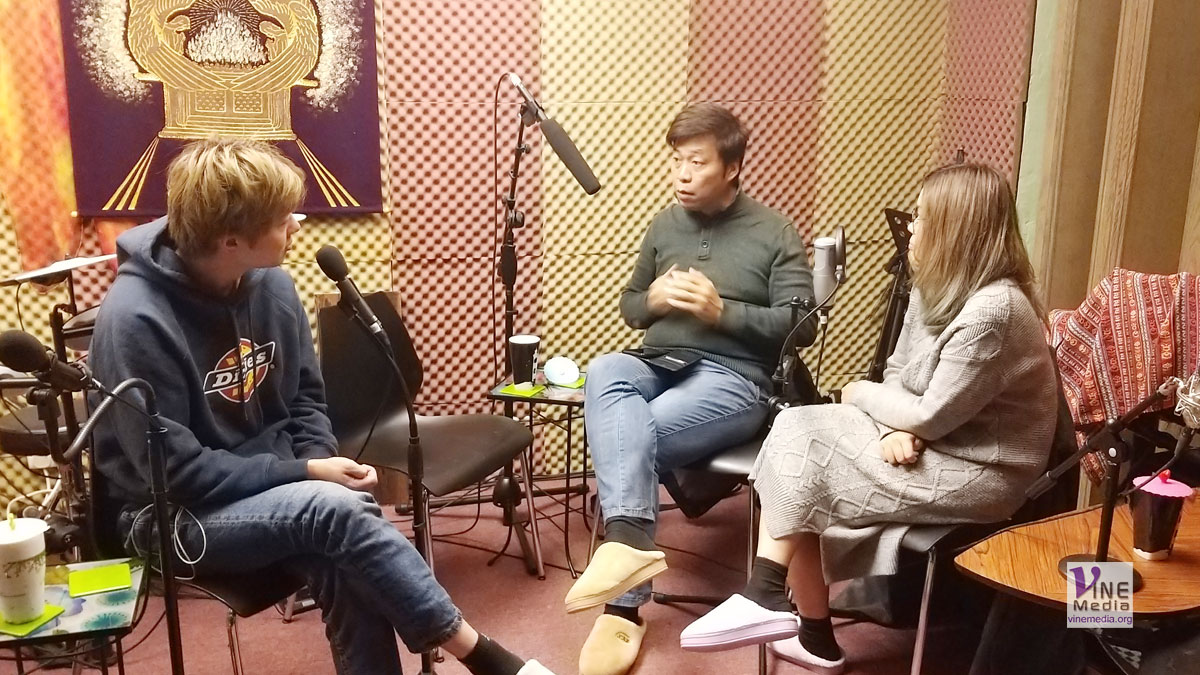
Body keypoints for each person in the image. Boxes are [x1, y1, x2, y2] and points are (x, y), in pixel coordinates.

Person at [89, 138, 556, 675]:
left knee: (340, 550)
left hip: (270, 492)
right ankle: (483, 656)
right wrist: (308, 474)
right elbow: (173, 472)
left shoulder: (271, 284)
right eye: (282, 219)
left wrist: (316, 463)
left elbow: (307, 398)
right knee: (332, 511)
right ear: (231, 239)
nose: (298, 224)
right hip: (172, 515)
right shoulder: (135, 320)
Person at [679, 162, 1058, 673]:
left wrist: (861, 397)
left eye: (923, 218)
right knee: (794, 427)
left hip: (982, 469)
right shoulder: (935, 286)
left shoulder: (995, 311)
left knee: (807, 458)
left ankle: (786, 610)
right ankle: (783, 608)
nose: (913, 228)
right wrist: (894, 425)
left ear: (955, 230)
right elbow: (899, 372)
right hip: (933, 439)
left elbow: (930, 412)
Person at [565, 103, 816, 675]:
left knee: (626, 437)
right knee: (604, 369)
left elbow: (802, 326)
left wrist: (723, 312)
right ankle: (629, 546)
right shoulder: (664, 225)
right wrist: (652, 300)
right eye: (676, 160)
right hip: (658, 361)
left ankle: (622, 607)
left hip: (734, 377)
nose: (681, 173)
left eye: (696, 162)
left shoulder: (774, 231)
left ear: (731, 167)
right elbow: (632, 307)